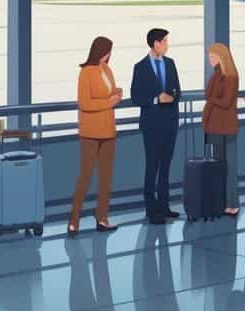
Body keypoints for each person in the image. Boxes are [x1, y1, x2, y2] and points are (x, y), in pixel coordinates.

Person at [69, 36, 122, 234]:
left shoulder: (107, 70)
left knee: (106, 178)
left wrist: (117, 93)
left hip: (108, 130)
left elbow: (111, 92)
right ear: (100, 51)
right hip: (90, 132)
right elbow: (85, 103)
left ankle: (102, 217)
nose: (109, 55)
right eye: (108, 51)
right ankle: (74, 220)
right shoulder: (86, 73)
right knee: (85, 176)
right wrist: (109, 103)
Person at [131, 28, 181, 224]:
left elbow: (178, 90)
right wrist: (155, 99)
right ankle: (152, 211)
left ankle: (164, 207)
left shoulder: (170, 64)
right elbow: (136, 95)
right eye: (165, 42)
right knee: (152, 167)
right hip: (151, 125)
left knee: (166, 168)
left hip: (170, 123)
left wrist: (172, 97)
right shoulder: (140, 67)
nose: (167, 45)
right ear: (156, 43)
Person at [203, 42, 241, 216]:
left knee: (229, 166)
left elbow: (225, 102)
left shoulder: (230, 77)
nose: (210, 59)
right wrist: (211, 98)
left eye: (212, 56)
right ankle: (220, 201)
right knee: (218, 165)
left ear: (221, 57)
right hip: (215, 126)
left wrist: (211, 99)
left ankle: (231, 202)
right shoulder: (217, 75)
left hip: (226, 126)